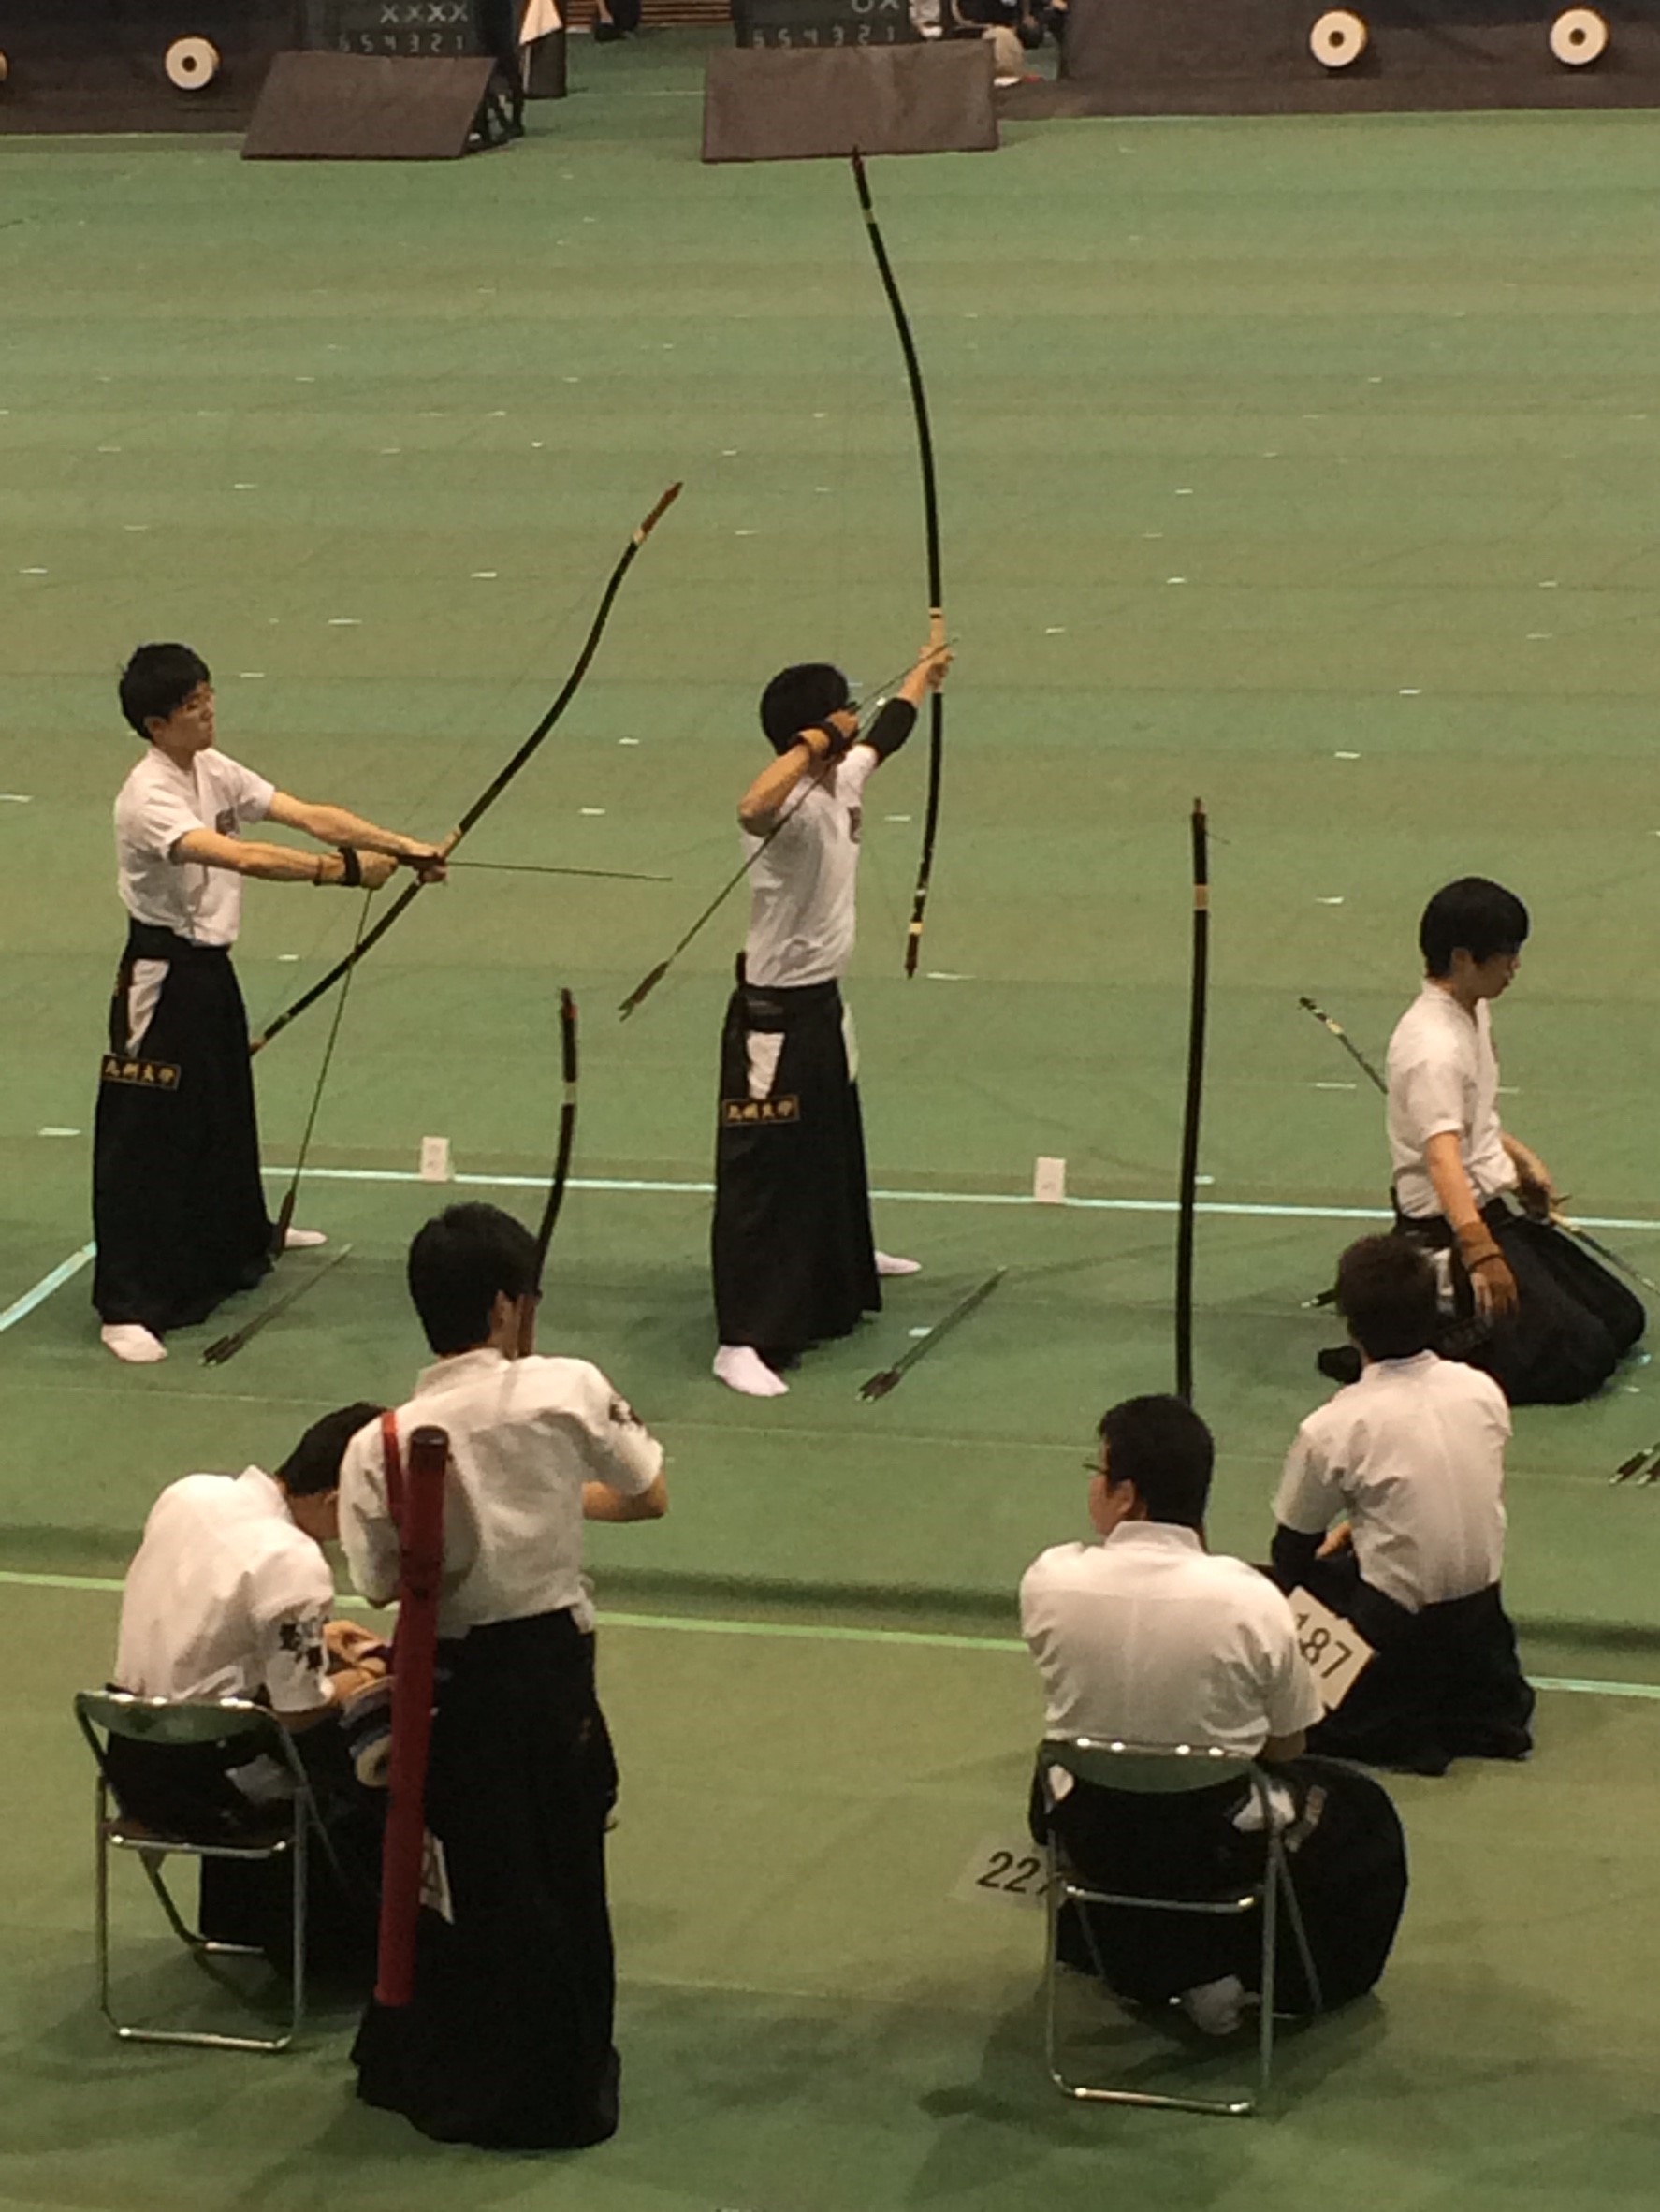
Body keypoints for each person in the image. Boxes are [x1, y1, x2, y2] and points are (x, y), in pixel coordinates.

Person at [337, 1201, 668, 2150]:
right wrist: (548, 1495)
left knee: (474, 1880)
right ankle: (568, 2083)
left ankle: (474, 2077)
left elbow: (381, 1583)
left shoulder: (380, 1442)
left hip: (453, 1685)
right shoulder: (565, 1386)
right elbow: (648, 1493)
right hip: (553, 1672)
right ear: (502, 1308)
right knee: (567, 1869)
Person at [94, 642, 446, 1366]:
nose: (209, 711)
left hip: (209, 972)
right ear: (157, 725)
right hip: (160, 976)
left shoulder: (213, 769)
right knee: (145, 1134)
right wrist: (340, 874)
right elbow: (242, 856)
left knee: (223, 1108)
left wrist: (405, 847)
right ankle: (125, 1304)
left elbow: (308, 815)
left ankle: (239, 1239)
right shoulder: (148, 796)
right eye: (192, 706)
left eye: (208, 696)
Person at [1021, 1394, 1406, 2036]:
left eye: (1098, 1471)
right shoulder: (1251, 1601)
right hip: (1214, 1844)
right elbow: (1288, 1747)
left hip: (1089, 1827)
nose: (1093, 1484)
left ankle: (1136, 1956)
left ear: (1126, 1496)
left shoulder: (1048, 1580)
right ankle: (1230, 1966)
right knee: (1356, 1808)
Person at [711, 640, 951, 1399]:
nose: (854, 716)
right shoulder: (785, 811)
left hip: (822, 1007)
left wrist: (922, 675)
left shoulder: (841, 778)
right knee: (763, 1174)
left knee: (832, 1141)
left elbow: (888, 735)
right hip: (773, 1022)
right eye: (840, 710)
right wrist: (815, 740)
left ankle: (841, 1257)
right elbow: (749, 804)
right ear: (814, 731)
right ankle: (741, 1338)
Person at [108, 1403, 391, 1974]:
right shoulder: (295, 1563)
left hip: (132, 1759)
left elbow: (201, 1619)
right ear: (338, 1500)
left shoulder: (190, 1493)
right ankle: (347, 1947)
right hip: (212, 1786)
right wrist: (367, 1676)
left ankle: (239, 1918)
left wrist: (316, 1637)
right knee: (382, 1740)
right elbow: (300, 1711)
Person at [1376, 875, 1643, 1404]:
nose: (1515, 966)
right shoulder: (1432, 1047)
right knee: (1581, 1360)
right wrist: (1479, 1252)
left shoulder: (1472, 1008)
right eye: (1506, 954)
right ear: (1462, 959)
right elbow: (1442, 1159)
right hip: (1450, 1229)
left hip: (1492, 1208)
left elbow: (1473, 1121)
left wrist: (1520, 1163)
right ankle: (1441, 1326)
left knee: (1622, 1319)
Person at [1274, 1236, 1535, 1776]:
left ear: (1350, 1326)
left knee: (1268, 1587)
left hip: (1395, 1634)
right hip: (1483, 1631)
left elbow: (1291, 1551)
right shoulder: (1481, 1390)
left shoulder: (1335, 1425)